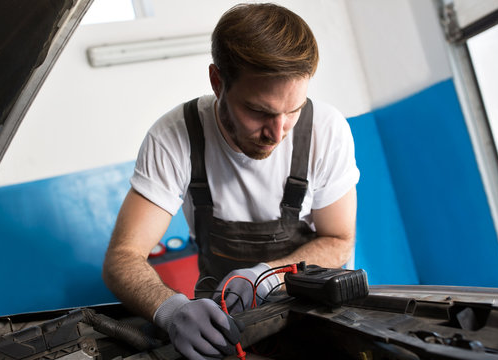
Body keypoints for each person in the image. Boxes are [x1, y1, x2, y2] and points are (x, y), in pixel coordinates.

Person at [103, 3, 359, 359]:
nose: (277, 132)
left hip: (315, 315)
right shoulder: (175, 137)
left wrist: (268, 276)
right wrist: (172, 310)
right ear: (217, 81)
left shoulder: (326, 131)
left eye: (293, 110)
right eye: (259, 111)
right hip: (224, 326)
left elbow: (339, 240)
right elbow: (123, 257)